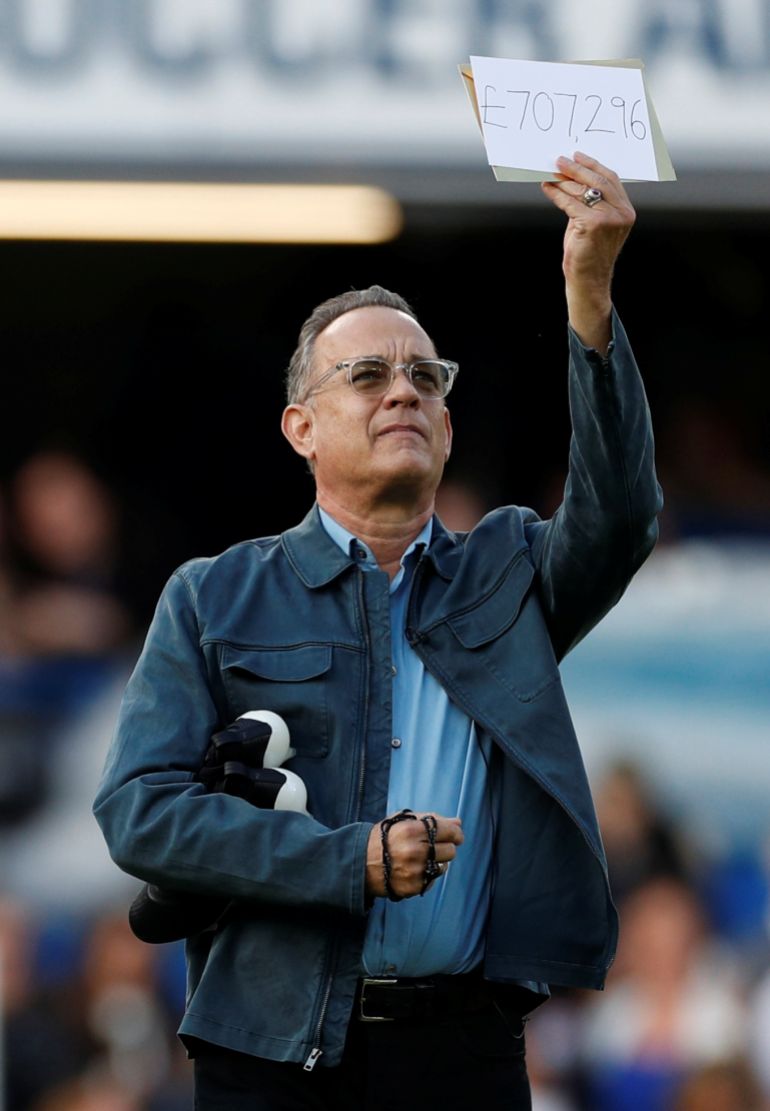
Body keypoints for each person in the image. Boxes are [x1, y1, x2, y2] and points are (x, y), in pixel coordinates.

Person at [94, 153, 662, 1110]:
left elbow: (620, 517)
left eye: (425, 378)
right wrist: (349, 861)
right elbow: (138, 811)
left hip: (466, 1050)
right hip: (269, 1056)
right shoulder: (212, 595)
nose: (404, 391)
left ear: (447, 428)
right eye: (367, 375)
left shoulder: (510, 572)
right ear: (301, 428)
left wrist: (591, 291)